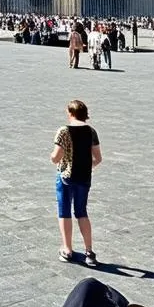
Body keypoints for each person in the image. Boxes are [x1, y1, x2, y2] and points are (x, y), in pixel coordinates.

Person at [50, 99, 102, 264]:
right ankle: (89, 252)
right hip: (84, 176)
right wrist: (88, 165)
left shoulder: (63, 131)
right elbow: (98, 158)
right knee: (81, 212)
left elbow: (56, 157)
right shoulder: (91, 131)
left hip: (65, 176)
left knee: (64, 211)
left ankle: (67, 249)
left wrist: (53, 158)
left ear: (70, 113)